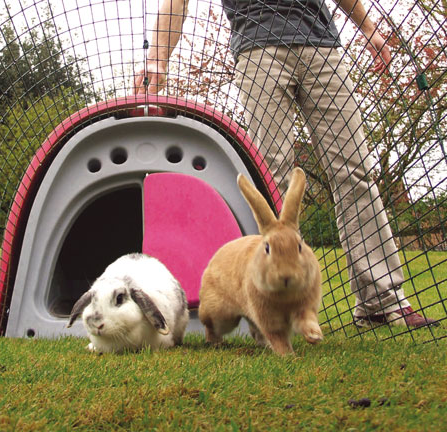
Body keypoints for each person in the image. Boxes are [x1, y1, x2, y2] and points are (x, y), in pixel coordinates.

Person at [134, 0, 438, 328]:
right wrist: (157, 57)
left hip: (321, 46)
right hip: (258, 49)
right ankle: (275, 308)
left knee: (355, 171)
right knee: (272, 179)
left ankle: (381, 303)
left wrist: (369, 29)